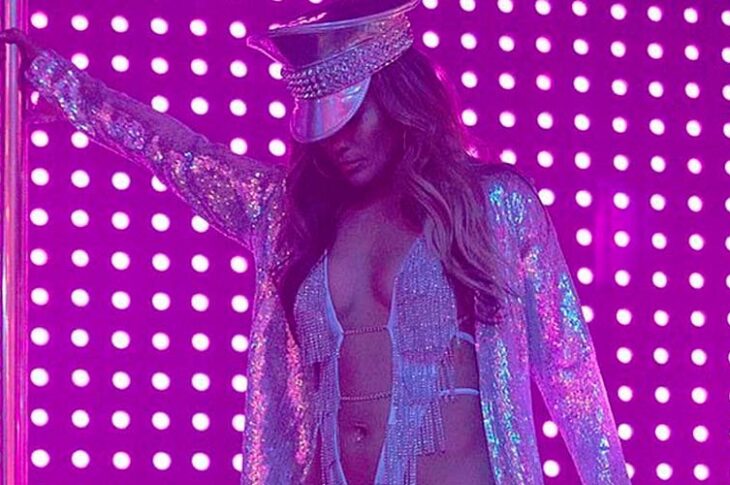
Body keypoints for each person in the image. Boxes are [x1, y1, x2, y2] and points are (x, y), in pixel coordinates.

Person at [1, 0, 630, 483]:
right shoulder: (290, 217)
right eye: (323, 129)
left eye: (353, 118)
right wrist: (60, 83)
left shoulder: (491, 206)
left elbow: (568, 367)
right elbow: (181, 154)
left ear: (399, 100)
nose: (338, 142)